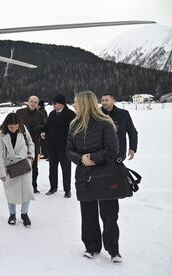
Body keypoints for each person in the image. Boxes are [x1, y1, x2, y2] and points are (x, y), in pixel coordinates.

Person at [66, 91, 123, 263]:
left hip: (105, 176)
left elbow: (113, 150)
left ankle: (113, 250)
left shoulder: (105, 123)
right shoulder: (74, 125)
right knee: (88, 214)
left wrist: (92, 157)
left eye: (76, 102)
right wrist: (80, 159)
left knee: (110, 215)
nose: (73, 105)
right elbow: (68, 150)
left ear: (84, 104)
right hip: (84, 175)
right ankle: (91, 246)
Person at [0, 113, 35, 227]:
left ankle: (24, 214)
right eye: (11, 127)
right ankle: (12, 214)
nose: (13, 129)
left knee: (27, 191)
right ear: (6, 125)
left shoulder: (23, 129)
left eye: (15, 127)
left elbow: (30, 143)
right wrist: (1, 172)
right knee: (11, 192)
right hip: (10, 167)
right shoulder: (0, 134)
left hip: (24, 165)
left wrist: (30, 157)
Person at [41, 94, 75, 198]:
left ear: (61, 104)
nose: (53, 105)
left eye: (54, 103)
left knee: (66, 169)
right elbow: (47, 126)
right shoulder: (51, 114)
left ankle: (67, 190)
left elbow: (74, 131)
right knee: (52, 168)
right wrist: (44, 132)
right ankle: (53, 187)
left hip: (64, 147)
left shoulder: (70, 114)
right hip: (52, 147)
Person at [16, 95, 46, 193]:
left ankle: (33, 186)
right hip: (20, 144)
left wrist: (40, 128)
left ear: (37, 104)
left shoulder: (40, 115)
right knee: (20, 166)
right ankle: (21, 186)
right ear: (28, 102)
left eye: (35, 102)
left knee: (34, 167)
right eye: (31, 101)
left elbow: (44, 127)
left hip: (34, 144)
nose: (33, 103)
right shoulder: (19, 112)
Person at [101, 93, 138, 161]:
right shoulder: (97, 114)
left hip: (119, 153)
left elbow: (132, 132)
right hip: (100, 153)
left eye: (106, 100)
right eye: (102, 100)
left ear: (113, 101)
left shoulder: (123, 114)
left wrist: (132, 148)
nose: (104, 102)